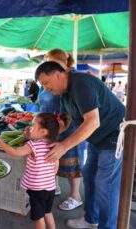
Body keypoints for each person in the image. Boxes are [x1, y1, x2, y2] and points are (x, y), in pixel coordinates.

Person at [35, 61, 125, 229]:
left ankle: (108, 227)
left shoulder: (81, 83)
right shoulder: (64, 92)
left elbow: (92, 121)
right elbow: (65, 120)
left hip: (114, 136)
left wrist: (63, 146)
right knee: (89, 177)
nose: (45, 88)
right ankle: (91, 219)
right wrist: (45, 135)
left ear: (57, 74)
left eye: (46, 83)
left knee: (106, 185)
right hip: (96, 139)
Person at [0, 112, 70, 229]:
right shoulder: (54, 147)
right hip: (50, 188)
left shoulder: (33, 146)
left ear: (43, 131)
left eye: (33, 125)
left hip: (37, 190)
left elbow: (15, 152)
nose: (30, 128)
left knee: (38, 217)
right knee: (47, 212)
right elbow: (55, 167)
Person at [42, 49, 84, 211]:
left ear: (64, 63)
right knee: (51, 157)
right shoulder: (47, 78)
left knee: (72, 161)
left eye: (52, 62)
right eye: (47, 62)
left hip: (70, 127)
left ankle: (75, 196)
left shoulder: (73, 79)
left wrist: (61, 126)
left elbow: (74, 107)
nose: (48, 66)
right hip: (49, 125)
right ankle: (55, 186)